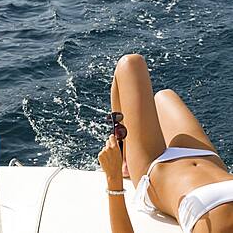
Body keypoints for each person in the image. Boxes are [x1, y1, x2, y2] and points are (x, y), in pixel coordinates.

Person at [98, 54, 233, 233]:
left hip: (155, 172)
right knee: (164, 97)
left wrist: (113, 179)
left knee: (130, 64)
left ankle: (125, 160)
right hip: (208, 160)